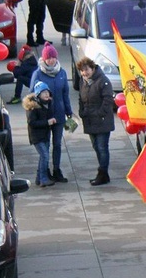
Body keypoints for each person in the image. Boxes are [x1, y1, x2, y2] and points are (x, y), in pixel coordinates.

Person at [31, 43, 73, 184]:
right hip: (44, 116)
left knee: (57, 144)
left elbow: (65, 93)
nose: (52, 61)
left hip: (59, 115)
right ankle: (44, 172)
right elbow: (32, 95)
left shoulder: (62, 72)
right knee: (45, 145)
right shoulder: (38, 73)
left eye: (53, 57)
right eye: (49, 58)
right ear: (44, 59)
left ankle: (56, 169)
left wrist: (69, 111)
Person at [76, 56, 114, 186]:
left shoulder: (103, 81)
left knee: (102, 147)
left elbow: (108, 100)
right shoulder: (83, 81)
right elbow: (80, 98)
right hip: (89, 120)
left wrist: (99, 113)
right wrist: (82, 111)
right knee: (96, 147)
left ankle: (102, 173)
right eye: (82, 71)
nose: (84, 73)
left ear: (92, 68)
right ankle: (104, 174)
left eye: (86, 70)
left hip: (102, 121)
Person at [22, 81, 55, 187]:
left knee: (43, 156)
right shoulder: (33, 106)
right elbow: (32, 122)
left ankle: (39, 178)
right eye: (43, 92)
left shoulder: (48, 104)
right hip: (37, 136)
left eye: (47, 92)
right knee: (45, 156)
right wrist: (47, 122)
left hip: (45, 134)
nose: (46, 94)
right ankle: (43, 178)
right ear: (38, 94)